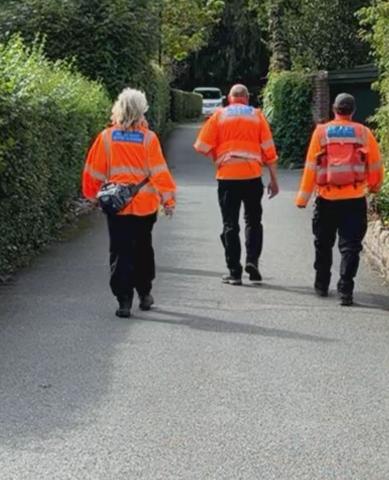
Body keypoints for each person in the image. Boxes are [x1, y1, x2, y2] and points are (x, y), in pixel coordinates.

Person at [82, 89, 178, 318]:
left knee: (120, 251)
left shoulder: (106, 137)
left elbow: (93, 170)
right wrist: (168, 200)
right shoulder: (149, 138)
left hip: (117, 204)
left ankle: (123, 301)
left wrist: (93, 196)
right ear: (141, 111)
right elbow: (159, 172)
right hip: (144, 204)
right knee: (143, 249)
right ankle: (145, 293)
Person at [295, 93, 384, 306]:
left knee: (323, 244)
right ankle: (346, 290)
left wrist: (303, 198)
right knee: (351, 246)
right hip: (354, 199)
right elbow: (375, 165)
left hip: (327, 198)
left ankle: (321, 284)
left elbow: (310, 167)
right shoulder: (364, 133)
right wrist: (374, 187)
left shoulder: (321, 133)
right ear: (352, 111)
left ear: (334, 109)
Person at [193, 84, 280, 285]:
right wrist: (274, 181)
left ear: (229, 99)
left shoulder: (219, 116)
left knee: (230, 224)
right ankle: (252, 261)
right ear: (247, 99)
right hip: (252, 176)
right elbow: (269, 151)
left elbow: (201, 146)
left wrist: (217, 156)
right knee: (253, 221)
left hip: (227, 177)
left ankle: (234, 272)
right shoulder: (257, 116)